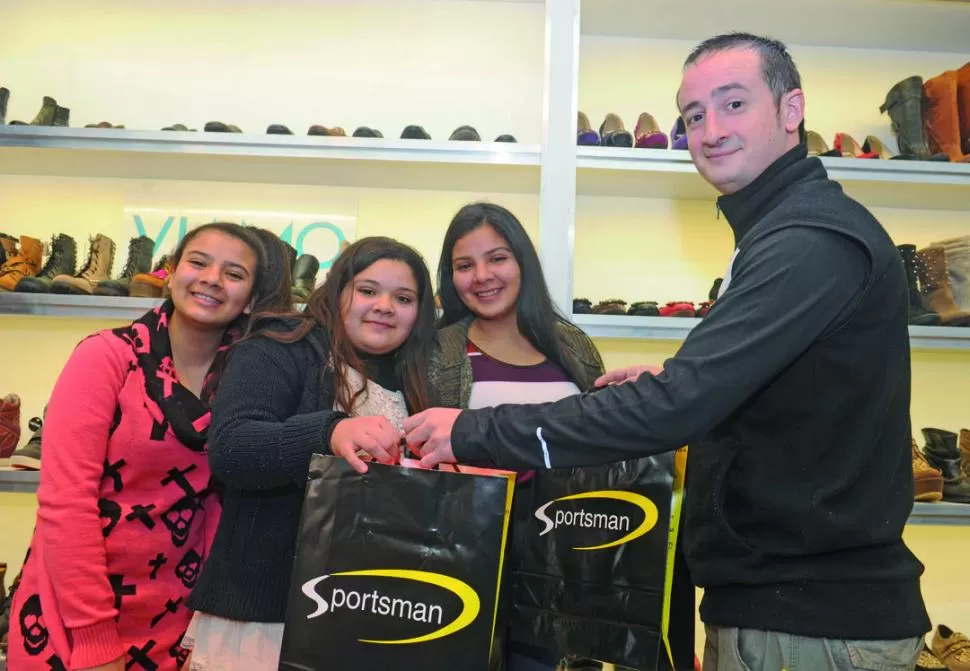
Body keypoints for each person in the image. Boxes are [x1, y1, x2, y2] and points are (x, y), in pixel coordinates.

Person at [403, 33, 930, 671]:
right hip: (789, 611)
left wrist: (475, 431)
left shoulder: (807, 239)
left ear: (792, 111)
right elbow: (753, 392)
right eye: (694, 115)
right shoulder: (783, 231)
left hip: (810, 622)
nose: (709, 130)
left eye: (733, 104)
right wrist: (677, 380)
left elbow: (672, 409)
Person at [7, 222, 276, 671]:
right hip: (75, 613)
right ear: (170, 274)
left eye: (234, 273)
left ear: (249, 299)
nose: (212, 278)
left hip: (177, 617)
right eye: (198, 262)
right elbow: (66, 502)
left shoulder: (243, 382)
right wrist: (94, 635)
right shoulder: (106, 357)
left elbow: (217, 509)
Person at [183, 236, 437, 670]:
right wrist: (330, 432)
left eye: (404, 297)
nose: (385, 306)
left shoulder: (416, 379)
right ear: (338, 290)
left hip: (372, 612)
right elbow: (232, 447)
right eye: (368, 290)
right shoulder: (280, 347)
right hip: (269, 618)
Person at [429, 202, 605, 671]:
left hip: (561, 562)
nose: (482, 275)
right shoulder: (438, 348)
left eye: (497, 258)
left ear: (523, 261)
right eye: (464, 265)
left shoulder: (573, 345)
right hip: (464, 557)